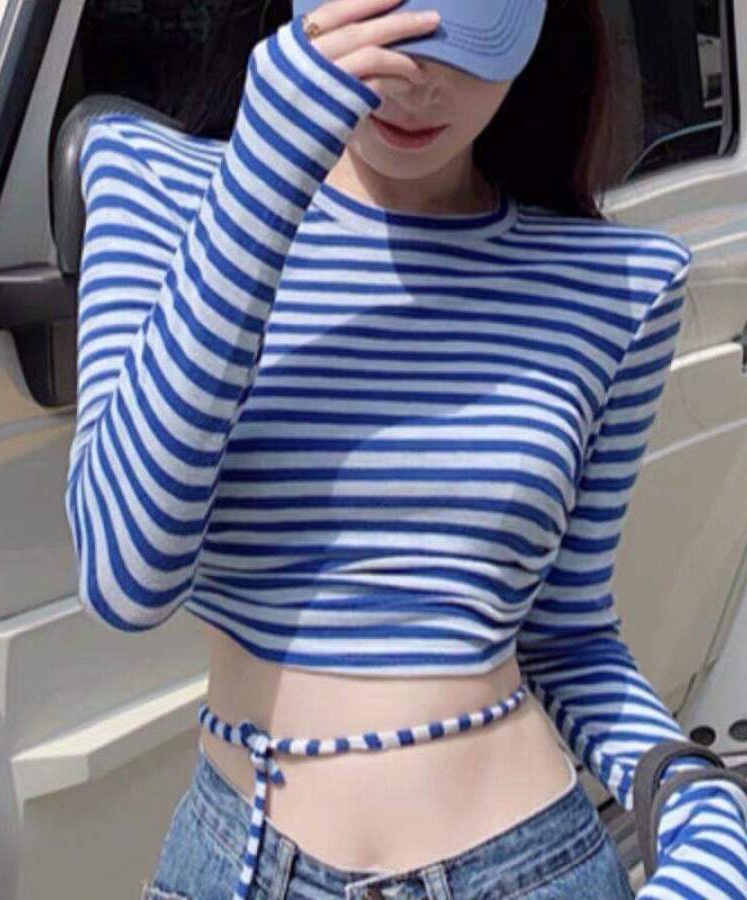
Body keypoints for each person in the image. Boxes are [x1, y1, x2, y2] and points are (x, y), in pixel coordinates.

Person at [66, 0, 747, 897]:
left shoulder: (614, 284)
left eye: (467, 42)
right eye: (388, 28)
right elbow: (122, 577)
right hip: (237, 864)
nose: (419, 81)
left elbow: (565, 633)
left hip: (528, 867)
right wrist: (263, 174)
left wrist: (691, 792)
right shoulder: (154, 184)